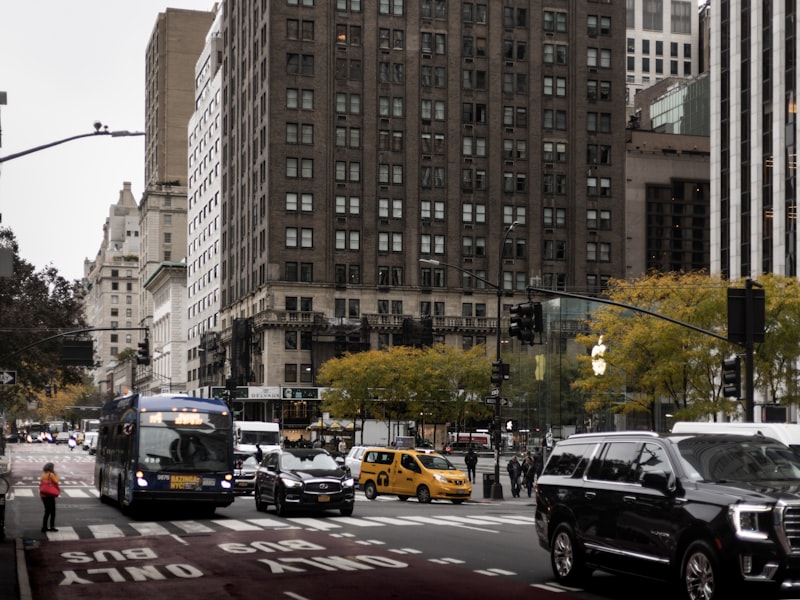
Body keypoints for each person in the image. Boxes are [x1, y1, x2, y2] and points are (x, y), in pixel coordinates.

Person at [39, 462, 60, 533]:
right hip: (50, 495)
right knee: (52, 511)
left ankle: (44, 527)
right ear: (51, 468)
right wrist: (56, 474)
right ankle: (52, 526)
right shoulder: (51, 474)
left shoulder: (43, 475)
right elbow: (56, 481)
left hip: (43, 495)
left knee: (47, 511)